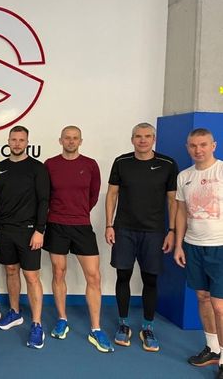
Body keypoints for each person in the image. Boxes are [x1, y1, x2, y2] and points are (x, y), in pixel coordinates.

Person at [105, 122, 178, 352]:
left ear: (153, 139)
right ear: (132, 139)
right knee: (123, 276)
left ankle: (147, 327)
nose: (143, 140)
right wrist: (109, 225)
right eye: (138, 136)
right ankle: (123, 324)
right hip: (124, 230)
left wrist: (172, 231)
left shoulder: (167, 164)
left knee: (150, 280)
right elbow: (112, 194)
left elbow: (172, 200)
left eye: (147, 136)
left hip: (154, 232)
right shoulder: (121, 162)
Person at [44, 126, 113, 352]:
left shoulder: (90, 165)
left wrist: (79, 212)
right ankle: (62, 319)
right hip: (56, 224)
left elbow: (93, 195)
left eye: (75, 138)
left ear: (80, 141)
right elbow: (45, 195)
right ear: (60, 140)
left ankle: (96, 328)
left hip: (82, 225)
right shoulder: (50, 164)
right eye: (67, 138)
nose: (71, 141)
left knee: (94, 276)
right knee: (59, 272)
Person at [0, 125, 50, 349]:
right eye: (13, 140)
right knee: (11, 270)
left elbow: (44, 201)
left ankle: (37, 324)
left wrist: (40, 230)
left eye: (21, 140)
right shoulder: (0, 168)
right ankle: (15, 312)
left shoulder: (37, 168)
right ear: (8, 141)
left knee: (31, 277)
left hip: (29, 231)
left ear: (27, 142)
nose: (17, 144)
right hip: (5, 230)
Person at [174, 128, 223, 379]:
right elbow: (181, 212)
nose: (198, 150)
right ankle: (213, 348)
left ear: (213, 145)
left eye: (203, 144)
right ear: (187, 147)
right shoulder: (184, 176)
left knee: (220, 306)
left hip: (220, 246)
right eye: (193, 145)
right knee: (202, 297)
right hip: (193, 245)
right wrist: (179, 244)